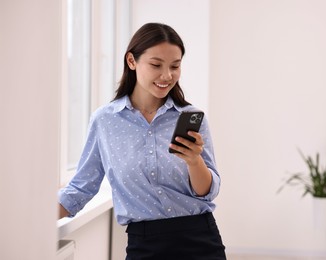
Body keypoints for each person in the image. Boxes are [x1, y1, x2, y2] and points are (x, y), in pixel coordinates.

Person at [58, 22, 226, 259]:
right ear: (131, 61)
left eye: (175, 66)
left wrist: (194, 160)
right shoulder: (105, 121)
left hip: (200, 239)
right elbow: (81, 188)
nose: (167, 76)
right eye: (156, 65)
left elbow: (207, 192)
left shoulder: (190, 117)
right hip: (144, 244)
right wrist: (28, 219)